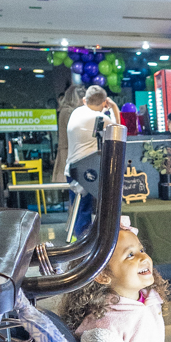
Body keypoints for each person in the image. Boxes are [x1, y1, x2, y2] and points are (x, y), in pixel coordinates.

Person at [64, 85, 119, 237]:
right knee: (85, 210)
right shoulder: (101, 118)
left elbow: (94, 127)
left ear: (84, 100)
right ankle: (84, 243)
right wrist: (114, 108)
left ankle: (78, 240)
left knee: (78, 208)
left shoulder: (77, 112)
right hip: (87, 171)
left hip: (72, 169)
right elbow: (118, 132)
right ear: (104, 102)